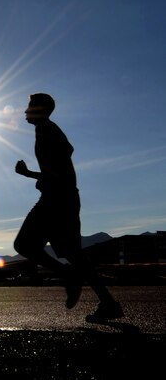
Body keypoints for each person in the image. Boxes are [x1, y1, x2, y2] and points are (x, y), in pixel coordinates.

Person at [14, 93, 123, 322]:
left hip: (57, 200)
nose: (25, 111)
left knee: (24, 244)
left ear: (40, 109)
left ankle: (68, 276)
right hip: (65, 199)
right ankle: (109, 304)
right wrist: (38, 176)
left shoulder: (48, 131)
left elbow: (63, 161)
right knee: (75, 255)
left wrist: (31, 175)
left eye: (29, 107)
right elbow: (63, 161)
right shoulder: (45, 131)